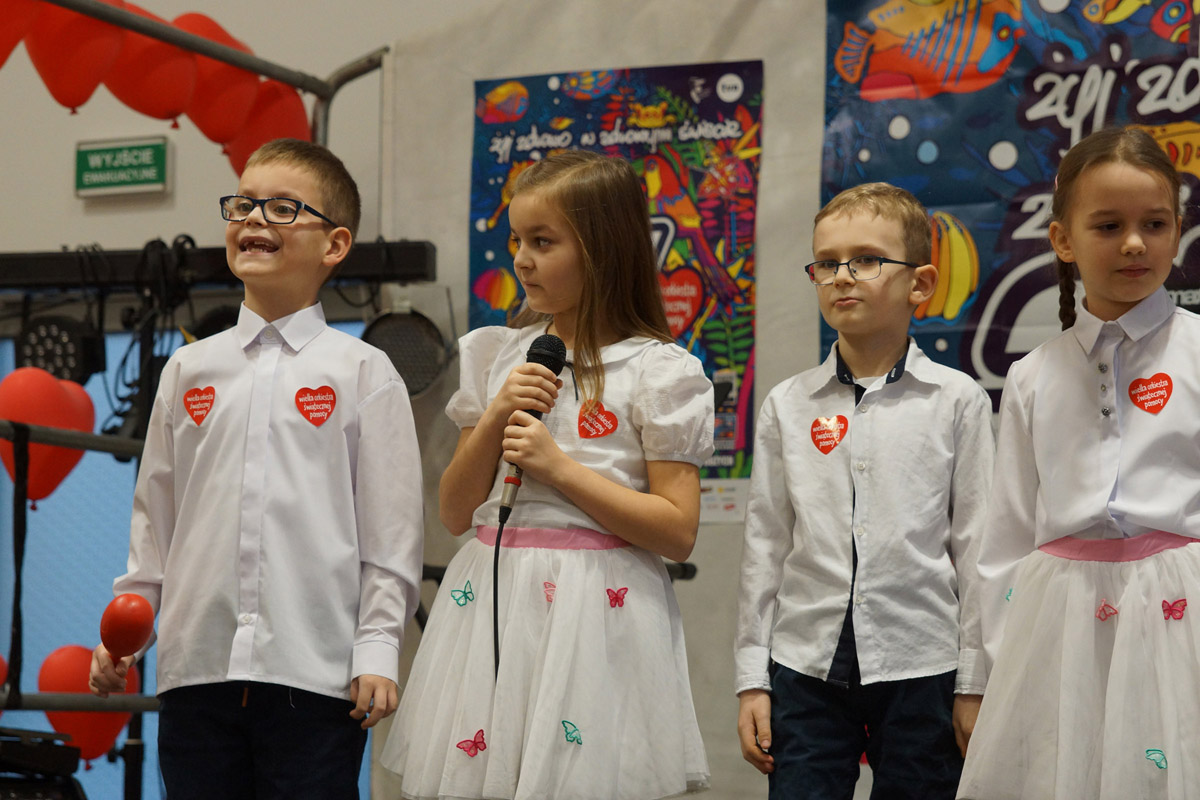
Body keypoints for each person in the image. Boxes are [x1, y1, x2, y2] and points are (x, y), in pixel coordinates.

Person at [88, 138, 425, 798]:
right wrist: (130, 628)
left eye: (282, 207)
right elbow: (156, 520)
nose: (254, 219)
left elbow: (391, 535)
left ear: (334, 244)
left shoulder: (363, 371)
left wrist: (378, 646)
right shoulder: (188, 368)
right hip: (196, 670)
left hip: (316, 673)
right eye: (243, 204)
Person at [380, 149, 713, 799]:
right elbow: (454, 512)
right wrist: (497, 412)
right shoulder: (496, 354)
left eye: (542, 241)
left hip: (598, 607)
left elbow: (677, 531)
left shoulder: (658, 371)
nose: (522, 260)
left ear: (602, 250)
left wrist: (560, 470)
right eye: (516, 241)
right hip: (495, 594)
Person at [958, 127, 1200, 799]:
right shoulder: (1032, 375)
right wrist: (988, 676)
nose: (1134, 243)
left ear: (1178, 232)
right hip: (1059, 628)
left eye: (1155, 224)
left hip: (1181, 620)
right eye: (1109, 225)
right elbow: (1005, 536)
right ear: (1063, 240)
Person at [735, 182, 994, 799]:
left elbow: (978, 549)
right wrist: (752, 679)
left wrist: (974, 682)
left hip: (923, 661)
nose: (843, 276)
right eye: (827, 263)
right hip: (806, 663)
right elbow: (765, 547)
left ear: (920, 284)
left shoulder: (957, 400)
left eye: (867, 260)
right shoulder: (787, 404)